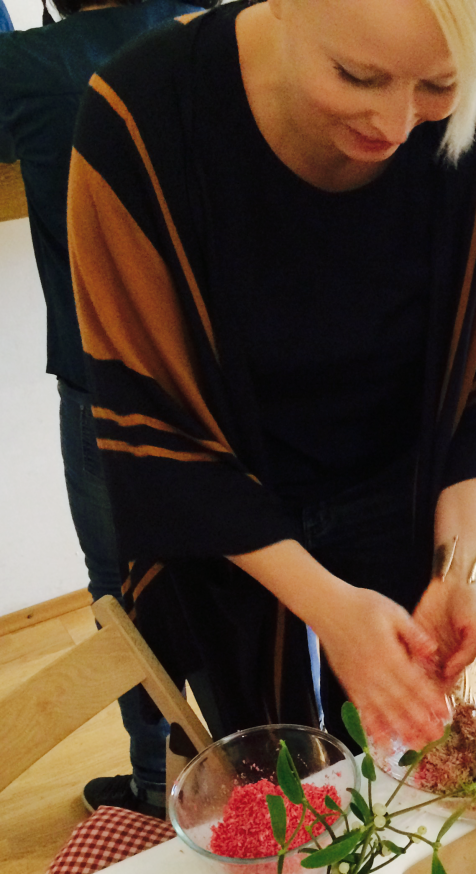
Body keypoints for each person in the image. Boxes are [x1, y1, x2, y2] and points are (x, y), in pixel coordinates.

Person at [67, 0, 476, 752]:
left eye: (439, 85)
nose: (397, 125)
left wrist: (462, 569)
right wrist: (329, 609)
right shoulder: (141, 120)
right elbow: (154, 421)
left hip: (408, 504)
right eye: (358, 76)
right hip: (229, 526)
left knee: (399, 760)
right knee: (268, 765)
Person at [0, 0, 205, 816]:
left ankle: (157, 783)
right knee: (241, 565)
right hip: (221, 377)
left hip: (102, 383)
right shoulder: (216, 32)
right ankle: (265, 760)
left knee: (120, 590)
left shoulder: (28, 67)